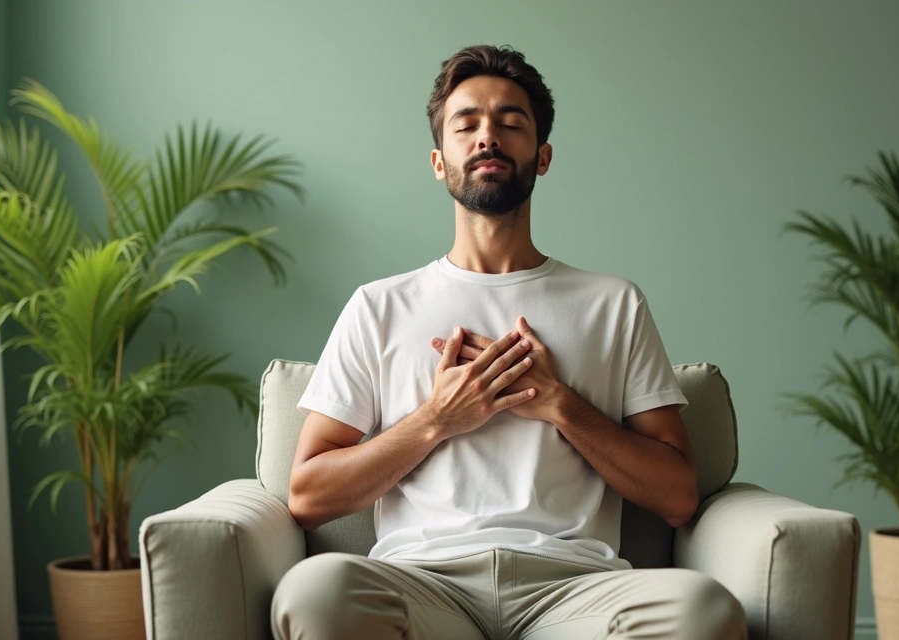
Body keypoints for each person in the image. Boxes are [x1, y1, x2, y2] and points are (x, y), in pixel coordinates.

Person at [273, 44, 747, 640]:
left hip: (576, 587)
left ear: (542, 157)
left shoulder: (613, 303)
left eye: (510, 123)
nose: (487, 137)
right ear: (439, 161)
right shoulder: (378, 306)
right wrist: (437, 419)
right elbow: (307, 495)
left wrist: (561, 405)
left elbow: (679, 496)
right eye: (466, 124)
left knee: (704, 609)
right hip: (423, 583)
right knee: (314, 593)